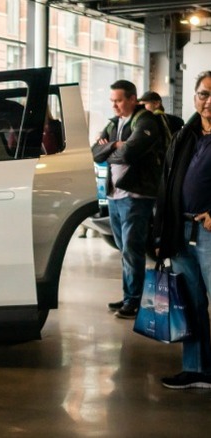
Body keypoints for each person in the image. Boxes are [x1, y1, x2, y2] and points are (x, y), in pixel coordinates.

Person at [153, 71, 211, 389]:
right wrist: (160, 234)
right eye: (203, 94)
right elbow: (166, 185)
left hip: (208, 231)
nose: (208, 102)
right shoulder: (185, 135)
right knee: (190, 302)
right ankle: (197, 368)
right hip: (180, 228)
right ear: (195, 98)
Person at [91, 80, 165, 319]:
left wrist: (110, 149)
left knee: (132, 250)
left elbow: (130, 152)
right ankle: (129, 296)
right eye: (112, 101)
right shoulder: (115, 123)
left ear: (133, 99)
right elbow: (94, 152)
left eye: (119, 100)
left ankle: (133, 301)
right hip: (114, 195)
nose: (114, 105)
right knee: (124, 250)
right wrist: (115, 144)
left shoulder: (145, 121)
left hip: (136, 195)